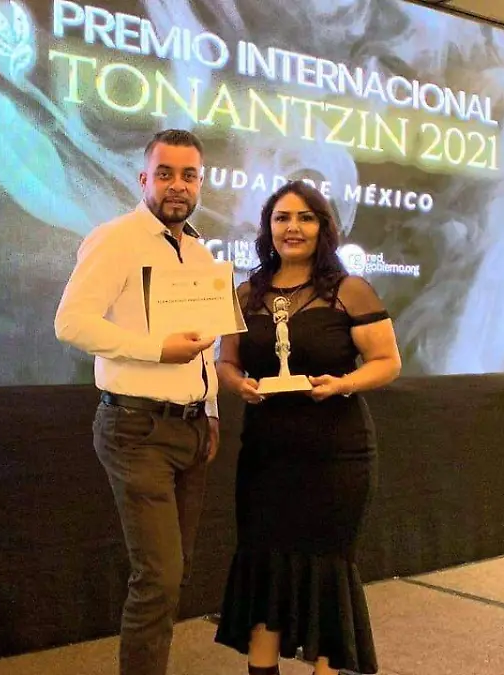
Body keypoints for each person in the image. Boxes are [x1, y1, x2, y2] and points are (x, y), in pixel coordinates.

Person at [213, 181, 401, 675]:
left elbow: (387, 361)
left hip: (336, 457)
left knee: (326, 569)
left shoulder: (349, 291)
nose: (292, 227)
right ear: (268, 228)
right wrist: (238, 385)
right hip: (265, 458)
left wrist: (343, 384)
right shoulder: (245, 294)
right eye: (282, 218)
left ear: (323, 228)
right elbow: (226, 363)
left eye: (305, 217)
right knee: (264, 564)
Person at [55, 128, 222, 675]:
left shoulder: (199, 251)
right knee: (160, 577)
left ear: (200, 182)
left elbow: (205, 341)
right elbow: (71, 323)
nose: (178, 185)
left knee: (173, 573)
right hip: (135, 428)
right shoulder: (115, 239)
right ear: (144, 178)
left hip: (190, 428)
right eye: (166, 174)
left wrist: (211, 410)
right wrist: (155, 350)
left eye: (189, 175)